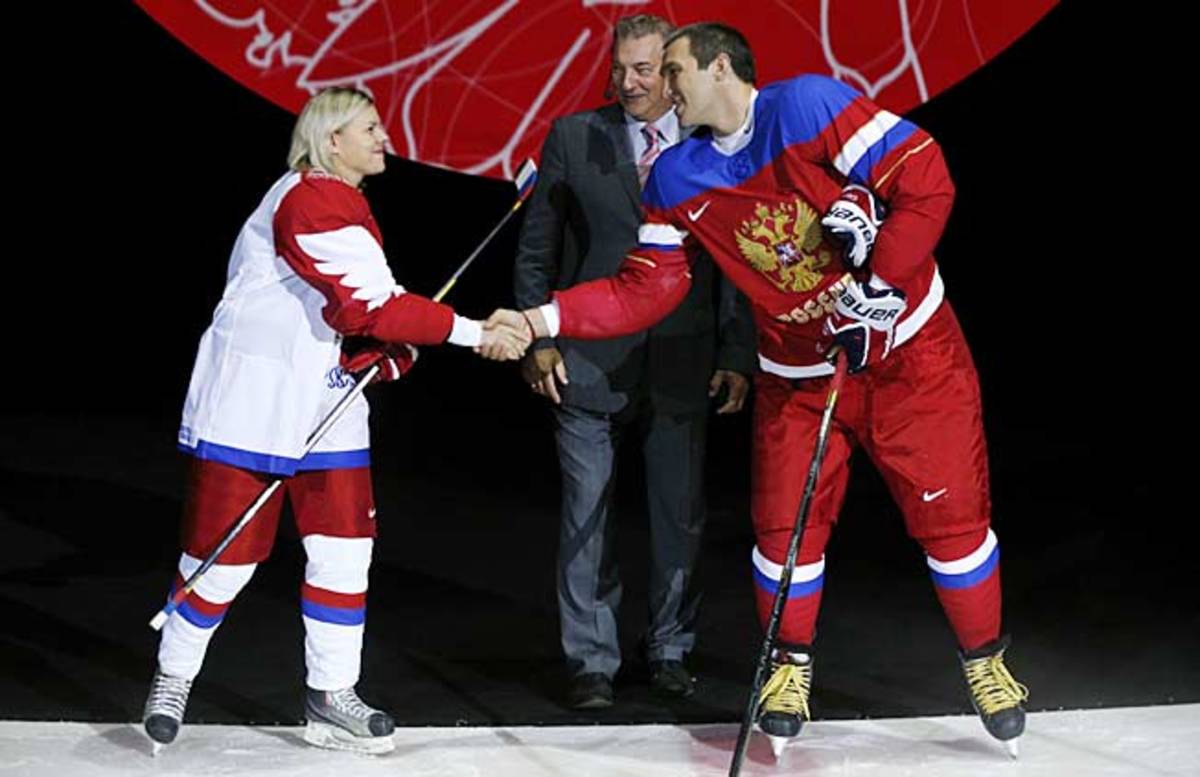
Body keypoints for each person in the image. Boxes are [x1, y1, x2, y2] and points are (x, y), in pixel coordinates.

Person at [519, 22, 1028, 754]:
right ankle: (788, 665)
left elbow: (925, 175)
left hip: (911, 360)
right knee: (783, 531)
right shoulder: (675, 176)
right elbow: (645, 289)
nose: (662, 88)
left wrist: (878, 288)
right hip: (798, 376)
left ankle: (986, 661)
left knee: (952, 526)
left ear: (719, 68)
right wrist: (546, 314)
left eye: (673, 71)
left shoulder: (805, 107)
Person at [142, 87, 529, 754]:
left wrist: (380, 354)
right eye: (371, 128)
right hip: (254, 403)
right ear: (331, 142)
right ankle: (172, 675)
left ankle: (330, 693)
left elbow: (350, 317)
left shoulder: (344, 204)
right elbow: (373, 305)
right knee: (223, 559)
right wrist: (471, 332)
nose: (385, 139)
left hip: (326, 401)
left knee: (345, 552)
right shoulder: (311, 198)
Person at [513, 14, 755, 710]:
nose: (629, 82)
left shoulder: (710, 145)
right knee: (586, 512)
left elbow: (737, 259)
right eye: (620, 69)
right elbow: (537, 248)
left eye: (646, 69)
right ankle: (591, 660)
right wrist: (539, 339)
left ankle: (672, 648)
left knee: (678, 514)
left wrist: (738, 351)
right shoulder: (572, 136)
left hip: (684, 360)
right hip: (587, 360)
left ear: (672, 69)